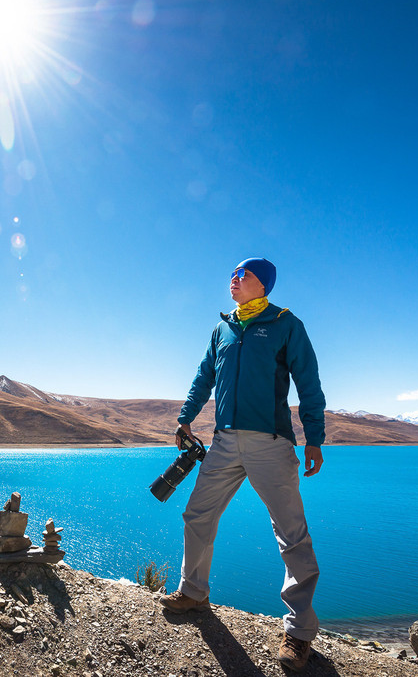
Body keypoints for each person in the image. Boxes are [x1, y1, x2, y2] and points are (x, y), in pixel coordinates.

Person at [160, 257, 325, 672]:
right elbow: (204, 377)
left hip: (271, 443)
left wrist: (314, 439)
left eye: (243, 275)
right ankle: (194, 592)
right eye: (233, 274)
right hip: (224, 442)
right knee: (197, 514)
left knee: (291, 534)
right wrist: (185, 416)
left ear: (263, 284)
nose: (234, 279)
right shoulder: (223, 329)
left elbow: (309, 384)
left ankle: (299, 631)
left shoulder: (286, 325)